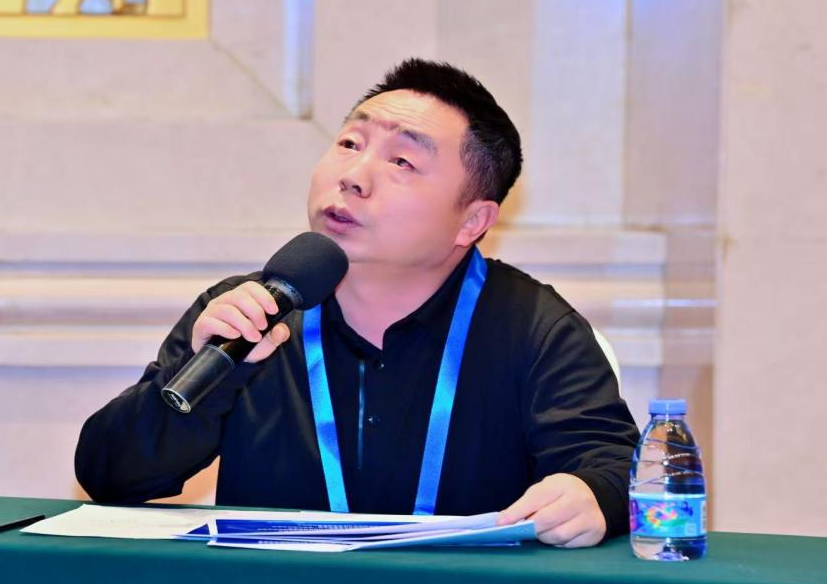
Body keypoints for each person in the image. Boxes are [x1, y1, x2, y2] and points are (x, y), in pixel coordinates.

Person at [75, 59, 639, 548]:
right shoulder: (250, 313)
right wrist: (206, 375)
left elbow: (616, 466)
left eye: (402, 162)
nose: (353, 177)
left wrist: (592, 494)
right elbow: (111, 478)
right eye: (350, 143)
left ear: (472, 221)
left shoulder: (534, 328)